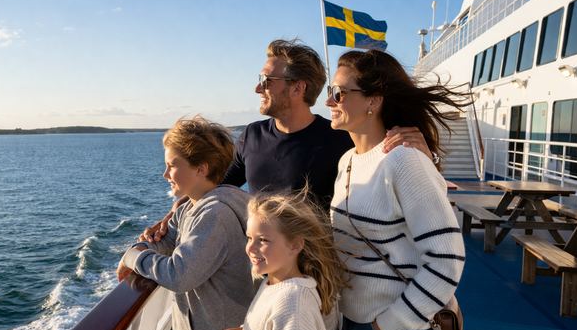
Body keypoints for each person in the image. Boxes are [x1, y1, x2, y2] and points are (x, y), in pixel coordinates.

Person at [143, 38, 432, 241]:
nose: (258, 88)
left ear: (297, 88)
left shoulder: (341, 140)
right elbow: (213, 189)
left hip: (322, 281)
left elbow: (392, 178)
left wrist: (427, 155)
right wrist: (172, 218)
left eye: (266, 81)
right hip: (265, 268)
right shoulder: (252, 136)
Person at [326, 49, 468, 330]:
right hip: (352, 326)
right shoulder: (348, 162)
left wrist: (389, 326)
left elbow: (447, 259)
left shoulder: (404, 161)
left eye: (339, 93)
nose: (329, 101)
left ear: (373, 101)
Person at [116, 115, 256, 330]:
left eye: (172, 165)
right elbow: (167, 242)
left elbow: (180, 274)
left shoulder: (215, 215)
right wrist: (147, 246)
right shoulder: (192, 206)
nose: (165, 173)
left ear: (201, 168)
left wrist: (134, 257)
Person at [214, 191, 346, 330]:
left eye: (263, 240)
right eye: (249, 238)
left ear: (295, 245)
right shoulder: (273, 284)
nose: (250, 248)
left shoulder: (292, 303)